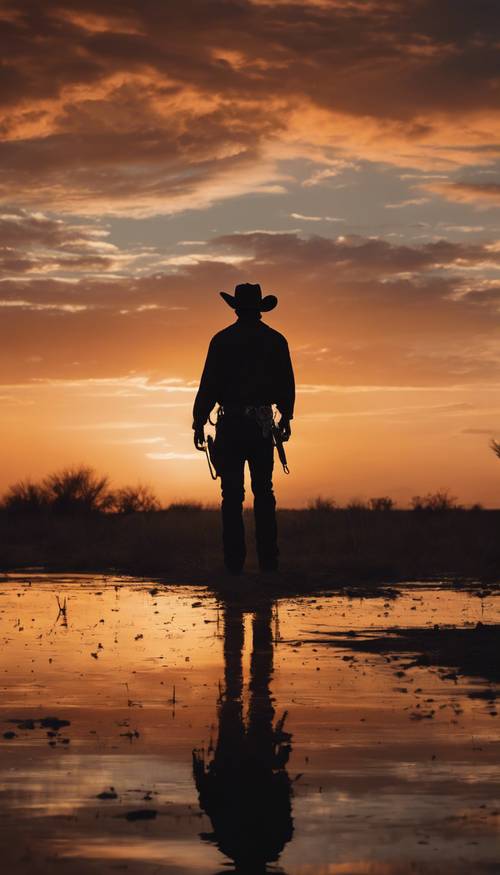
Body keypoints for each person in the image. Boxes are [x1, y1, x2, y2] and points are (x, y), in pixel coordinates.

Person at [192, 283, 295, 574]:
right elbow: (286, 383)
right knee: (264, 492)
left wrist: (199, 421)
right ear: (259, 309)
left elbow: (208, 385)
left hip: (231, 426)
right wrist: (285, 417)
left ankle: (234, 566)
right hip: (262, 426)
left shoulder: (222, 340)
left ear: (236, 308)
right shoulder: (275, 340)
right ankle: (269, 564)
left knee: (232, 495)